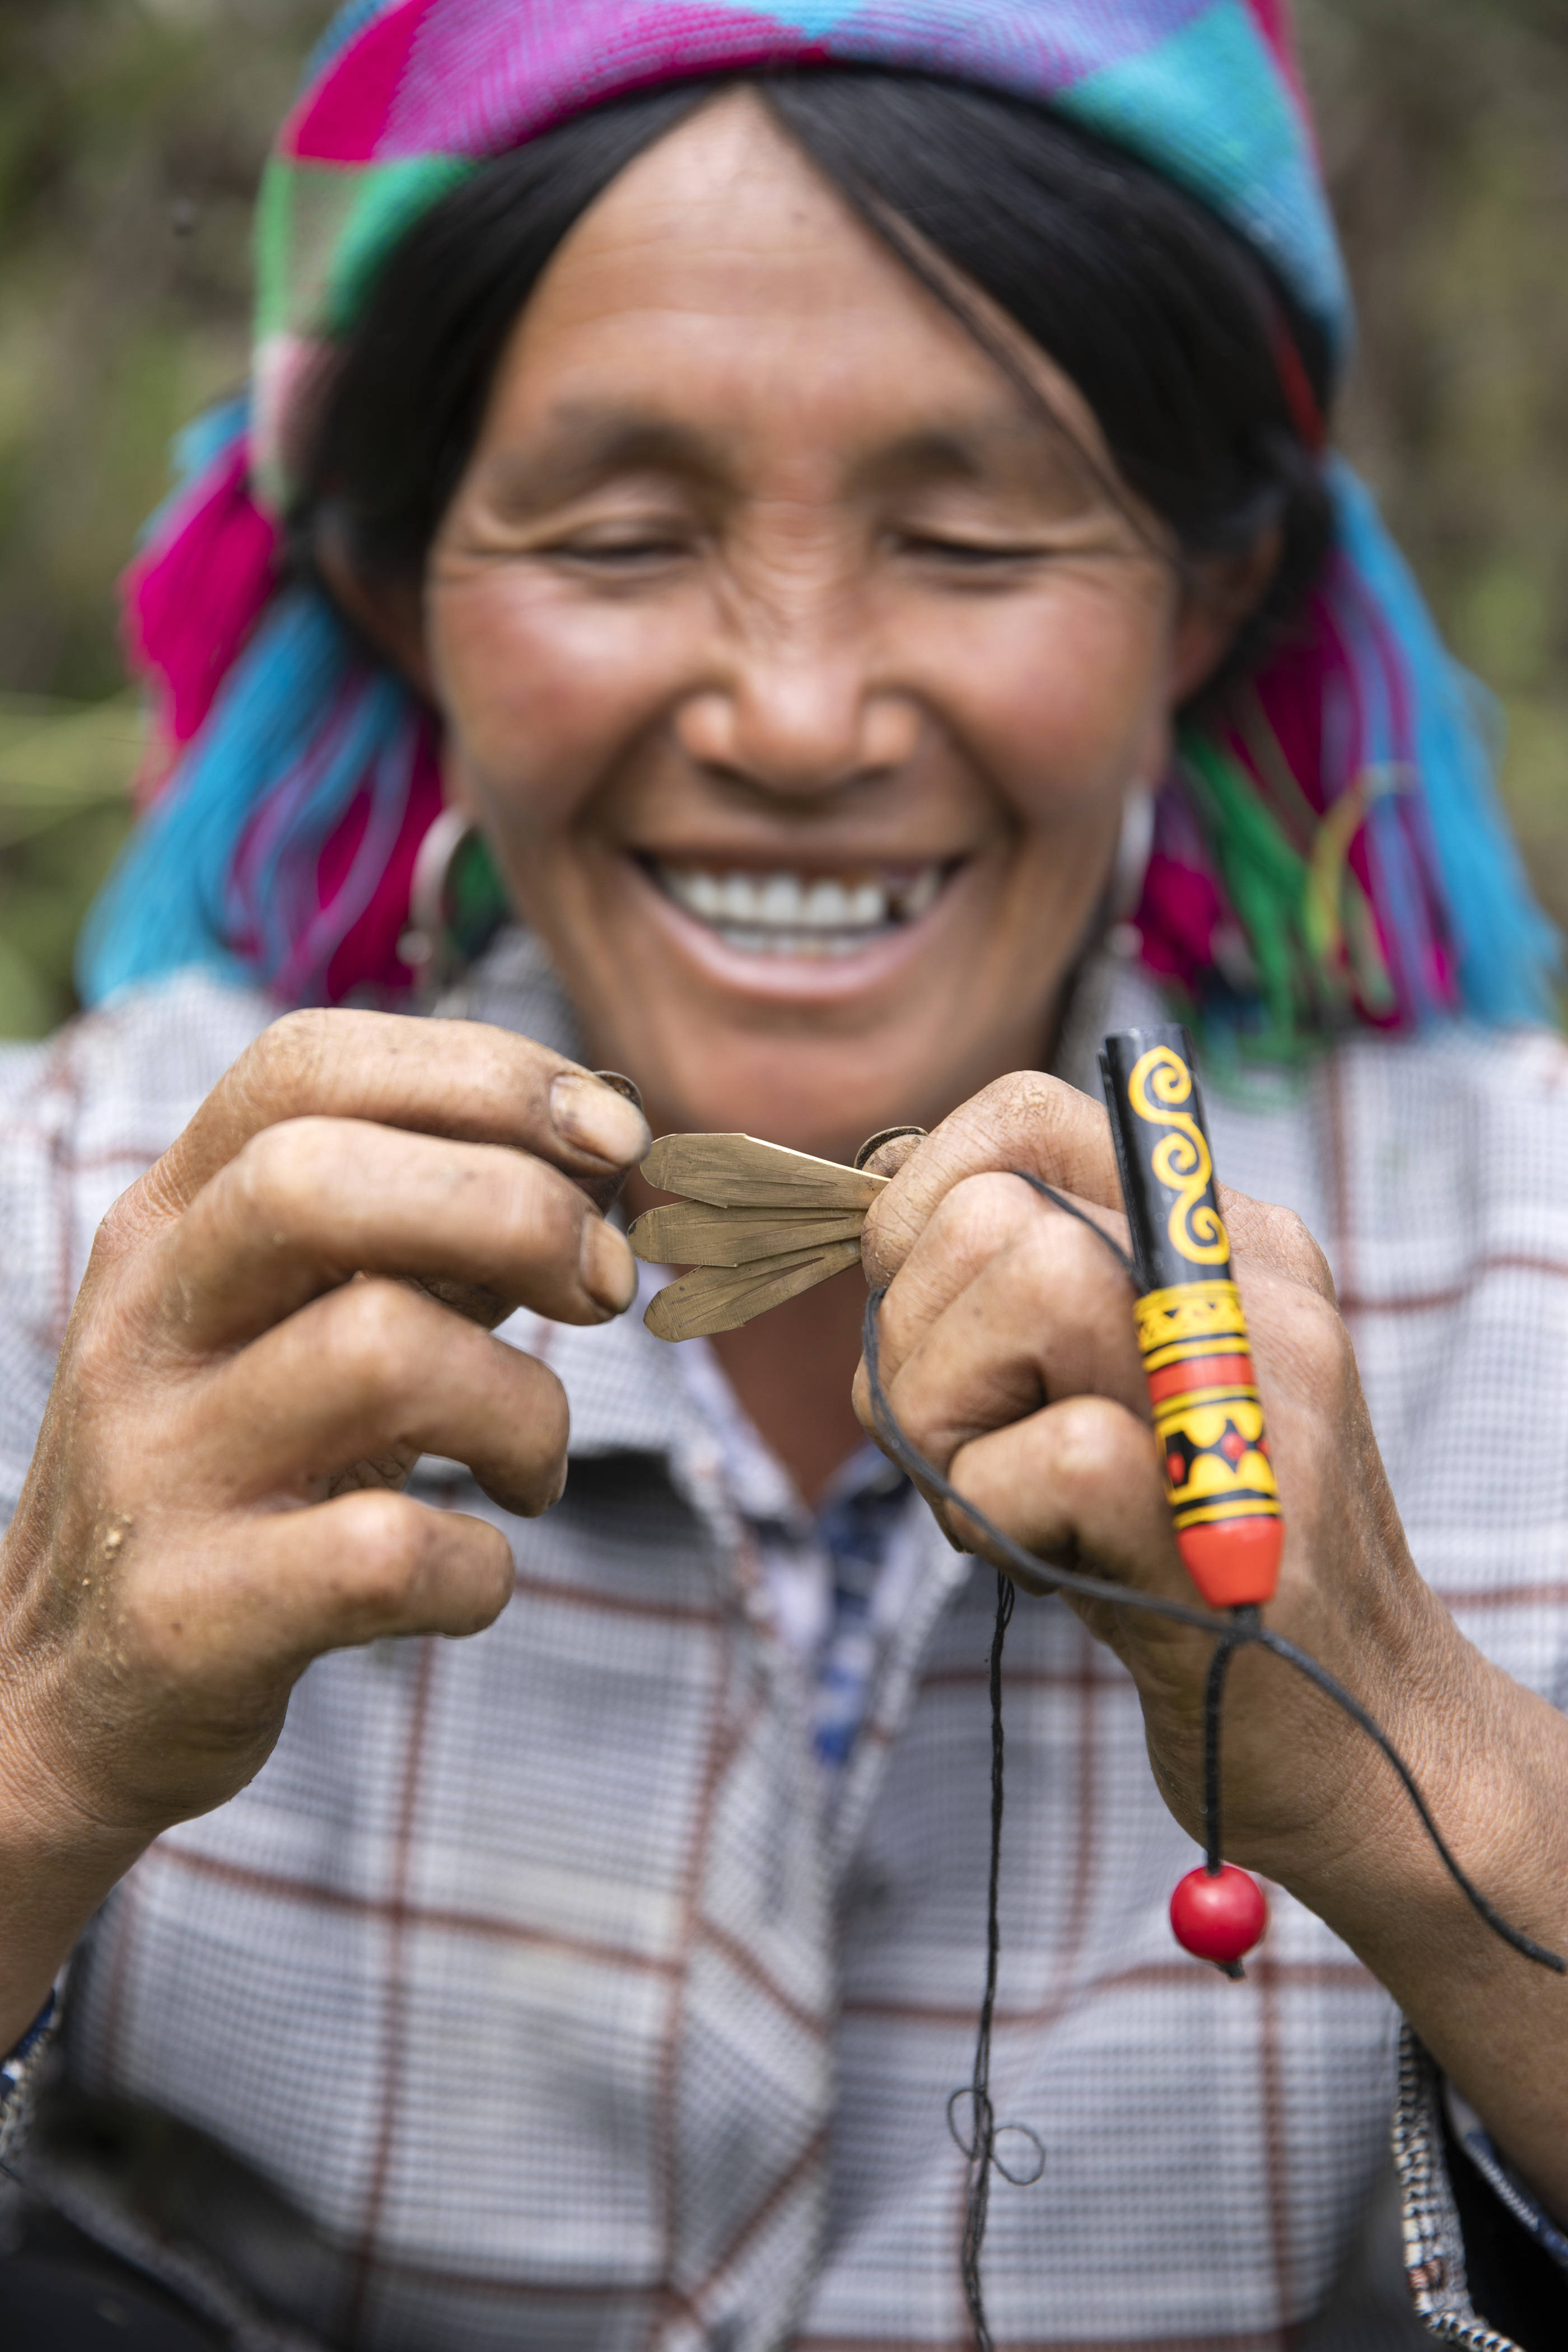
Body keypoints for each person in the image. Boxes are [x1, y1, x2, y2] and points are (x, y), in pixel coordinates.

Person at [2, 3, 1567, 2346]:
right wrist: (45, 1750)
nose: (800, 715)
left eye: (968, 535)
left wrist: (1430, 1764)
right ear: (406, 581)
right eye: (621, 536)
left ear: (1204, 594)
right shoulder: (76, 1236)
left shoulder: (1524, 1277)